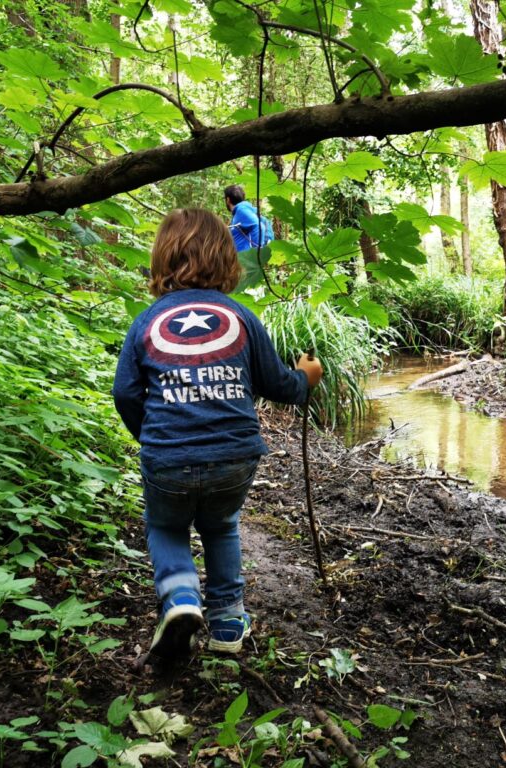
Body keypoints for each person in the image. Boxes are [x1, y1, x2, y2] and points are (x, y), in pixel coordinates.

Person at [112, 208, 323, 662]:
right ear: (228, 259)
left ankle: (182, 599)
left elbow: (125, 393)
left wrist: (149, 436)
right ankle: (227, 622)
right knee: (221, 525)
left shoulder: (146, 322)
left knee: (166, 525)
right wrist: (306, 376)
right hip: (235, 457)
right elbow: (281, 386)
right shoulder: (242, 318)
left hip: (167, 457)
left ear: (161, 259)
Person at [224, 184, 270, 251]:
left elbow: (260, 227)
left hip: (246, 259)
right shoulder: (240, 211)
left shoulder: (241, 210)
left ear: (228, 199)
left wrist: (255, 253)